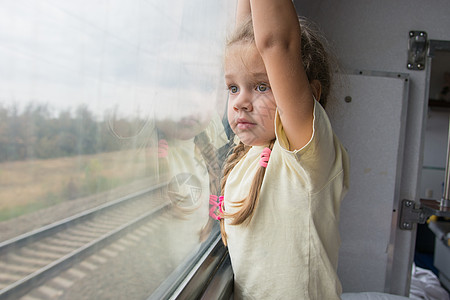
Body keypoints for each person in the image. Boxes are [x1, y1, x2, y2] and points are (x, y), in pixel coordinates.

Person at [217, 0, 350, 299]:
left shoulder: (306, 158)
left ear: (310, 95)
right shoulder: (248, 150)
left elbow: (276, 43)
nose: (240, 101)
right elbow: (247, 31)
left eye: (262, 86)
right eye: (233, 88)